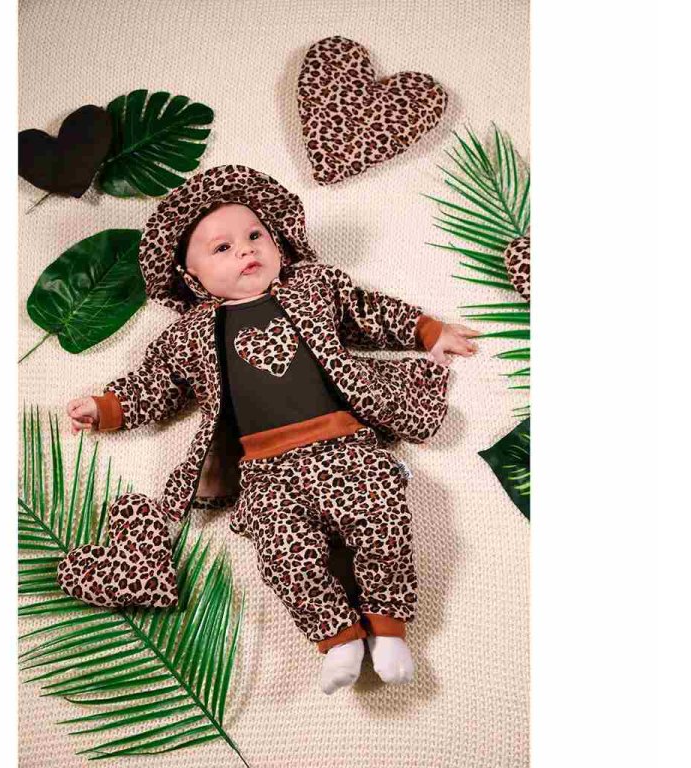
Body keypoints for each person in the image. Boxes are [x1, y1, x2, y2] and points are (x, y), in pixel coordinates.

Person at [61, 165, 479, 694]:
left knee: (383, 520)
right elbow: (157, 382)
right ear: (193, 279)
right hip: (265, 472)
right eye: (222, 248)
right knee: (284, 554)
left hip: (346, 447)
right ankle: (337, 637)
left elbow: (368, 312)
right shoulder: (189, 335)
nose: (245, 250)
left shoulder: (313, 286)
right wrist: (107, 407)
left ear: (277, 241)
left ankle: (389, 628)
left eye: (255, 235)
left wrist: (427, 330)